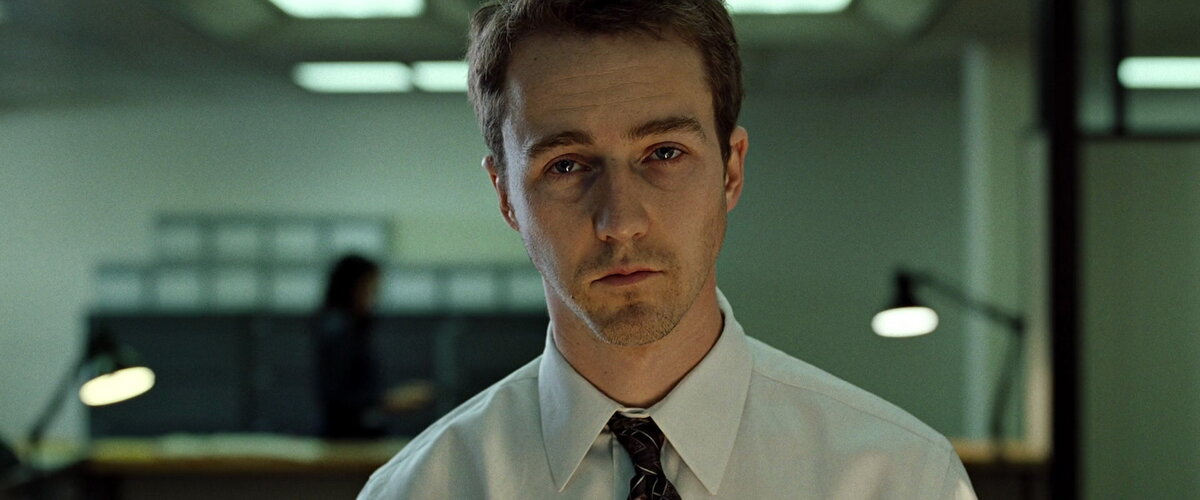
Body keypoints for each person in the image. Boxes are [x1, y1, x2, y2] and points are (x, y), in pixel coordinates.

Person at [360, 1, 977, 498]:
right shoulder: (419, 490)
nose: (621, 222)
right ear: (505, 197)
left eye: (664, 153)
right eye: (567, 165)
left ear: (731, 171)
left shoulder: (901, 480)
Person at [314, 254, 433, 439]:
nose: (374, 297)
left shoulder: (351, 327)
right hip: (347, 438)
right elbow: (337, 395)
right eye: (370, 288)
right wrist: (389, 401)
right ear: (354, 287)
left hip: (355, 433)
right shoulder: (339, 330)